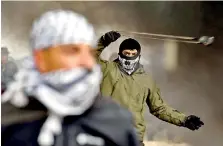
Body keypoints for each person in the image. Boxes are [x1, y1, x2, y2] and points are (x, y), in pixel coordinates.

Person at [1, 10, 139, 146]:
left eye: (89, 53)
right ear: (41, 58)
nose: (87, 62)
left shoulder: (115, 122)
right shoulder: (7, 118)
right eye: (72, 50)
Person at [96, 31, 204, 146]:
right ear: (120, 54)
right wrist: (103, 41)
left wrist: (184, 120)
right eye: (126, 53)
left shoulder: (146, 80)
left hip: (133, 138)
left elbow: (159, 108)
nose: (129, 57)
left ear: (138, 56)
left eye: (133, 54)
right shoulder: (107, 69)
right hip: (108, 134)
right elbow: (88, 57)